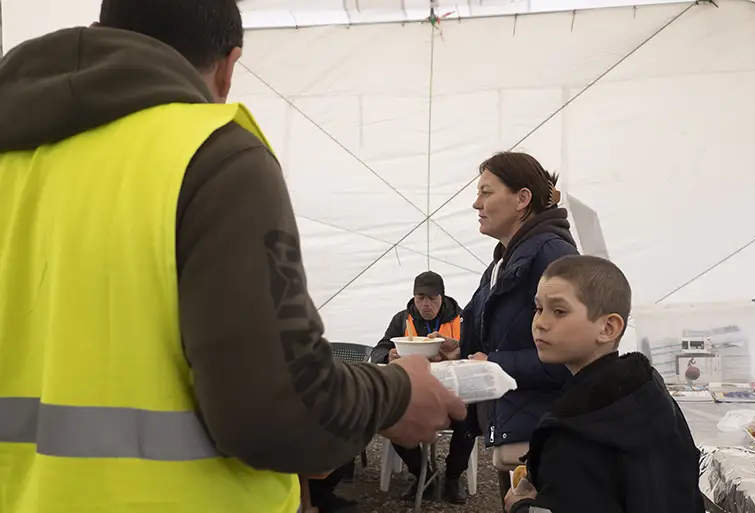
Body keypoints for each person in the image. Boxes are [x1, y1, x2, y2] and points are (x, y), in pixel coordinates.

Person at [0, 2, 467, 512]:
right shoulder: (213, 157)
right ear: (228, 65)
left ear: (100, 37)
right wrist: (396, 392)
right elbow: (279, 409)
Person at [507, 255, 705, 513]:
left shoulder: (574, 434)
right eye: (539, 308)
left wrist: (520, 507)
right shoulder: (647, 392)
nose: (540, 323)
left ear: (608, 327)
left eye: (559, 311)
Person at [460, 152, 577, 506]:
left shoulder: (553, 256)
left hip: (543, 434)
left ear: (522, 199)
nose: (475, 203)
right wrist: (452, 349)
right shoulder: (504, 260)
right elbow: (489, 333)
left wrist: (494, 363)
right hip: (516, 424)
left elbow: (571, 359)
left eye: (486, 192)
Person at [371, 271, 476, 504]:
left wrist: (458, 351)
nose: (425, 304)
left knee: (468, 421)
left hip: (453, 392)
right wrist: (389, 356)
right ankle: (422, 475)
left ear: (442, 297)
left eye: (432, 298)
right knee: (390, 418)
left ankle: (452, 478)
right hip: (413, 393)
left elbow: (477, 353)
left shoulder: (462, 319)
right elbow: (378, 350)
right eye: (420, 298)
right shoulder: (402, 319)